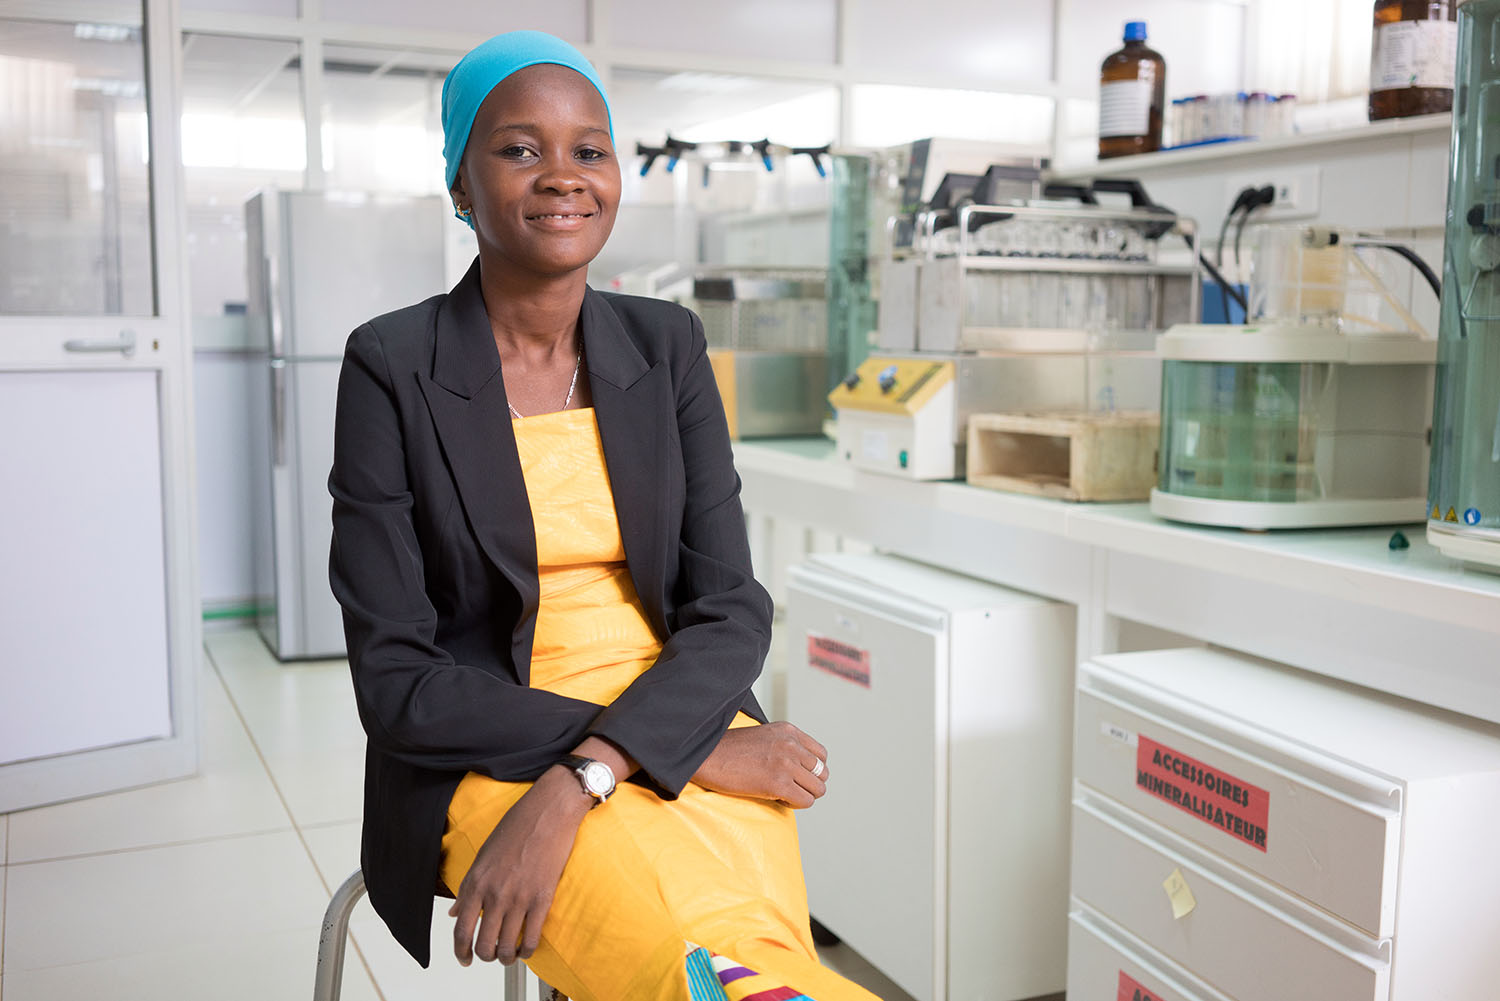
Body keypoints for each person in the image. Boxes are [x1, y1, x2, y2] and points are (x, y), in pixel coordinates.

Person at [328, 30, 879, 1001]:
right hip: (487, 743)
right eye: (519, 148)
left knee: (756, 953)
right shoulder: (391, 364)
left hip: (667, 705)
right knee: (688, 957)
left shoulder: (666, 346)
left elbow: (730, 603)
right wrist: (682, 753)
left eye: (589, 149)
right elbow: (397, 679)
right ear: (460, 185)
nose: (561, 176)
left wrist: (610, 758)